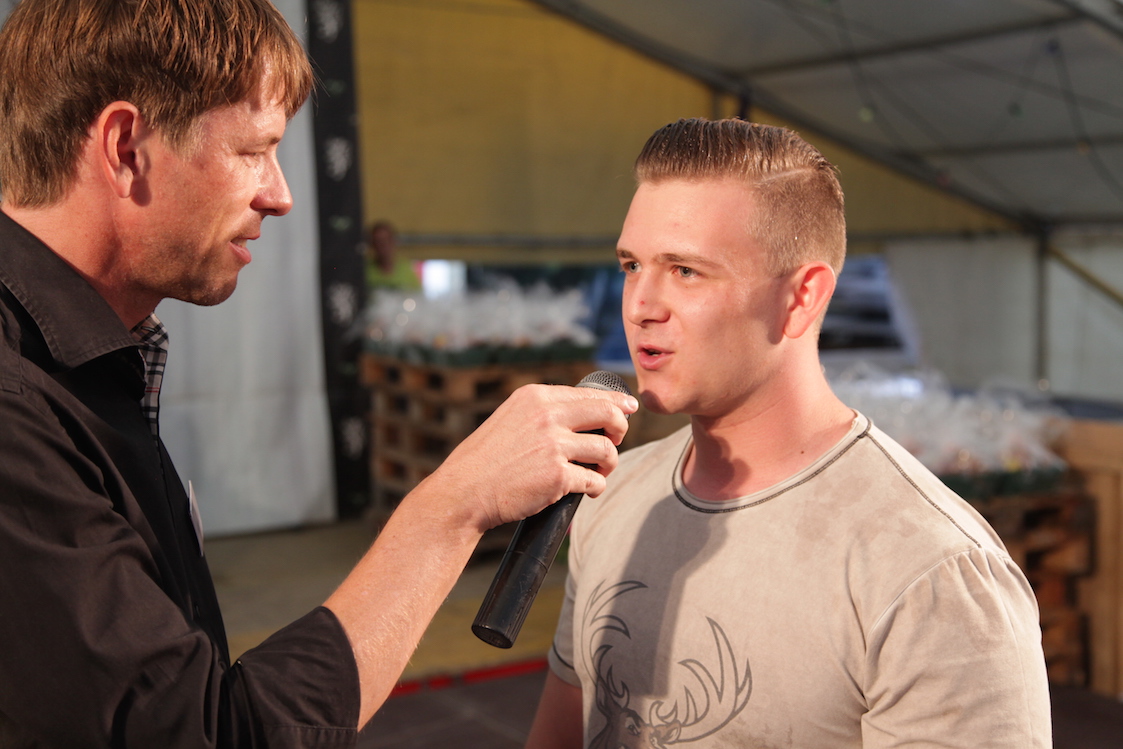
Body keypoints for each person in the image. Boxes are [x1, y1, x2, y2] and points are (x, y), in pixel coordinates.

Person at [0, 1, 637, 747]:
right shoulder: (15, 404)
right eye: (252, 150)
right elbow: (205, 734)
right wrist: (453, 506)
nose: (279, 195)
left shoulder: (76, 366)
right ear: (125, 147)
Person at [526, 119, 1051, 748]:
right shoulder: (611, 496)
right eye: (632, 265)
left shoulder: (930, 573)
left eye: (686, 270)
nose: (640, 304)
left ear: (802, 298)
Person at [365, 220, 422, 292]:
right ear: (372, 244)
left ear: (394, 241)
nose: (383, 245)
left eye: (386, 240)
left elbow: (416, 294)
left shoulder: (406, 269)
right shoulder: (365, 271)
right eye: (378, 241)